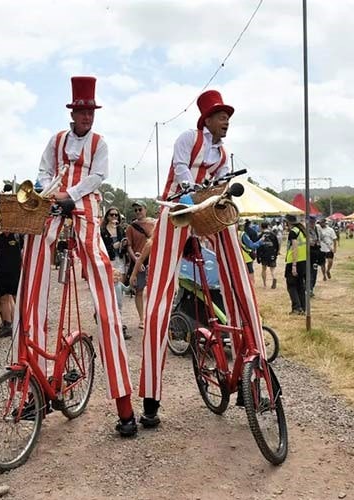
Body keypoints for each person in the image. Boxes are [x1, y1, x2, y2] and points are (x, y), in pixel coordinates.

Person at [15, 76, 136, 437]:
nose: (88, 118)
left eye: (91, 112)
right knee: (32, 270)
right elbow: (42, 171)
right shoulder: (55, 142)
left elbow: (97, 177)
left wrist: (70, 195)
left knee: (101, 278)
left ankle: (125, 406)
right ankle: (27, 385)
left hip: (83, 208)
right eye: (83, 112)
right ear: (74, 113)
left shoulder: (100, 144)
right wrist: (43, 188)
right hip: (52, 205)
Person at [139, 89, 265, 428]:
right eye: (221, 115)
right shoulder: (187, 139)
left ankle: (252, 375)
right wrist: (197, 196)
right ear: (207, 117)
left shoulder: (222, 154)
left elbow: (218, 185)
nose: (226, 121)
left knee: (239, 278)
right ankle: (150, 400)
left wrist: (212, 198)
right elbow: (181, 174)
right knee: (159, 295)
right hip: (177, 210)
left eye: (228, 116)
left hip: (210, 210)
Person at [125, 201, 155, 331]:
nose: (137, 212)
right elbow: (129, 246)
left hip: (152, 259)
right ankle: (142, 318)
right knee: (139, 290)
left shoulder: (153, 224)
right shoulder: (131, 227)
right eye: (135, 210)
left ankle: (152, 316)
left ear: (145, 209)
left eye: (140, 209)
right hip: (138, 259)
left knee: (153, 290)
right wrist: (136, 259)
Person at [101, 207, 130, 339]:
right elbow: (100, 248)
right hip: (109, 261)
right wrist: (113, 246)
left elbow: (125, 244)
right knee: (109, 289)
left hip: (120, 260)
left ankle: (118, 321)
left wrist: (124, 244)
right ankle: (109, 318)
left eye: (116, 215)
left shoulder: (120, 230)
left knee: (119, 289)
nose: (114, 217)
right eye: (112, 215)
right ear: (107, 216)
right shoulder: (102, 231)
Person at [284, 214, 308, 314]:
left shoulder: (293, 232)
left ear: (288, 222)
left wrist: (294, 266)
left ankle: (296, 308)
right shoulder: (302, 231)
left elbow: (294, 248)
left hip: (294, 261)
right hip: (303, 261)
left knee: (291, 285)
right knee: (300, 286)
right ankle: (302, 307)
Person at [257, 221, 280, 289]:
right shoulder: (273, 234)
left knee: (264, 269)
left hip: (263, 254)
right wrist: (276, 253)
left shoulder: (260, 235)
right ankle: (274, 277)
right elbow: (277, 245)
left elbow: (258, 246)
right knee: (272, 269)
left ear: (261, 227)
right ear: (268, 226)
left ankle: (264, 284)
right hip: (272, 253)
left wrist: (258, 257)